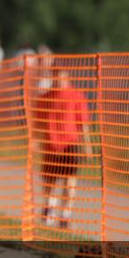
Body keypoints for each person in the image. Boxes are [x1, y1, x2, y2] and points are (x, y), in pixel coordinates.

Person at [35, 68, 93, 229]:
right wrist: (36, 141)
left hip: (70, 144)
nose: (58, 80)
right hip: (51, 145)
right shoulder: (45, 98)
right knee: (50, 181)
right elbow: (38, 124)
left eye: (60, 77)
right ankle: (49, 209)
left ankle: (65, 215)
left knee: (69, 181)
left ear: (67, 77)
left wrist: (87, 146)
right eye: (55, 77)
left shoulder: (77, 96)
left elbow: (83, 125)